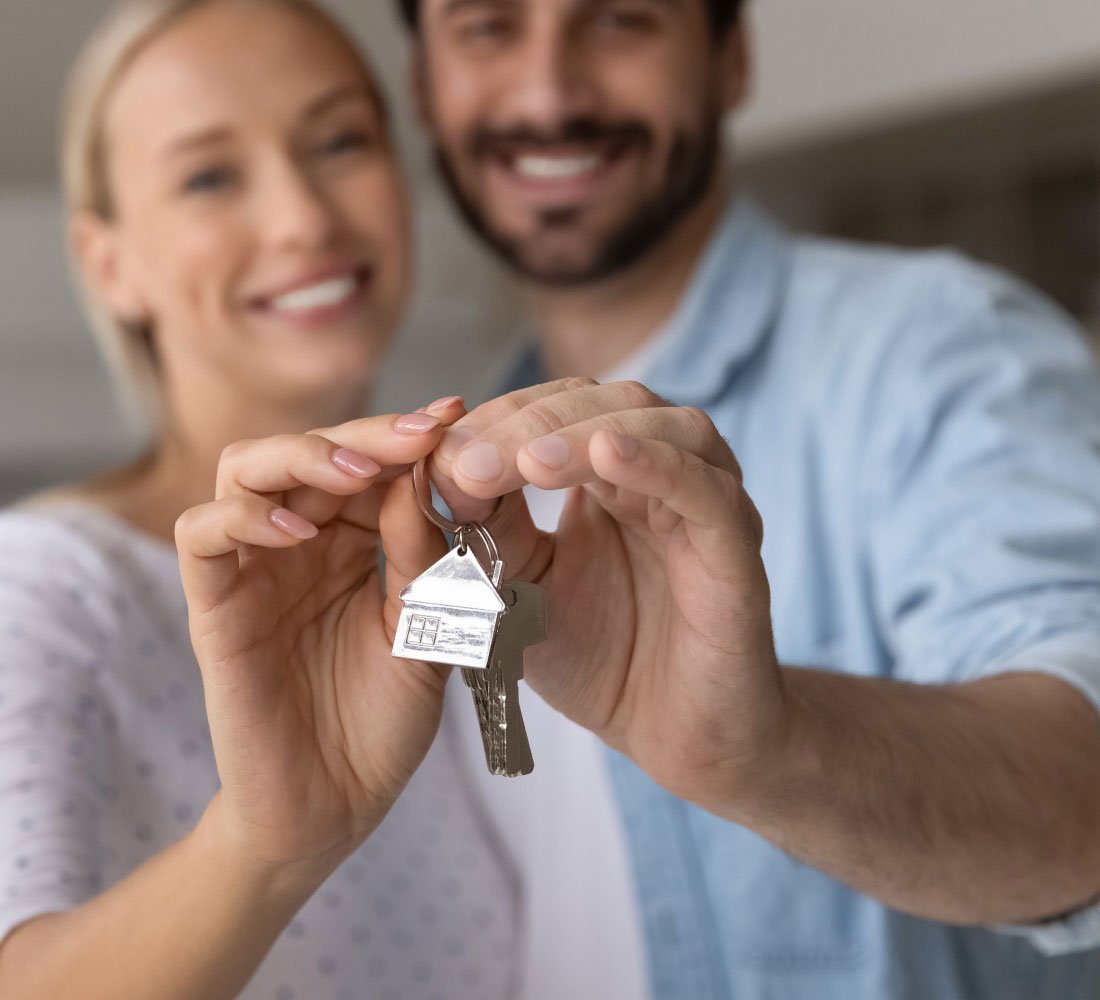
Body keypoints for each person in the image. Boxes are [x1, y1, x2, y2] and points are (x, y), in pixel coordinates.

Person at [392, 0, 1100, 997]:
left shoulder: (939, 344)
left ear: (728, 60)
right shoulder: (433, 487)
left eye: (621, 20)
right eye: (487, 27)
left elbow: (1084, 779)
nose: (549, 92)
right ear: (424, 84)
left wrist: (772, 749)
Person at [0, 2, 524, 998]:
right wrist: (261, 847)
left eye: (337, 141)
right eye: (208, 175)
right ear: (111, 264)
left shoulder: (463, 563)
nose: (303, 218)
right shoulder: (38, 587)